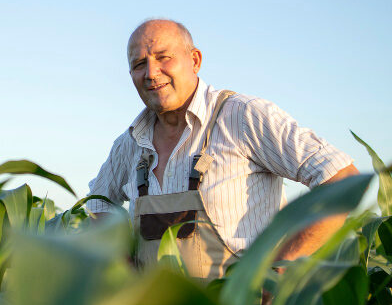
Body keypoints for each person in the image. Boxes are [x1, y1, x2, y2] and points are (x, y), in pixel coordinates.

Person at [85, 19, 359, 279]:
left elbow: (341, 178)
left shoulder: (242, 117)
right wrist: (123, 264)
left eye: (163, 57)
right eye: (139, 64)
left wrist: (285, 264)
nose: (151, 73)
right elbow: (98, 203)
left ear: (194, 60)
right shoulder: (130, 143)